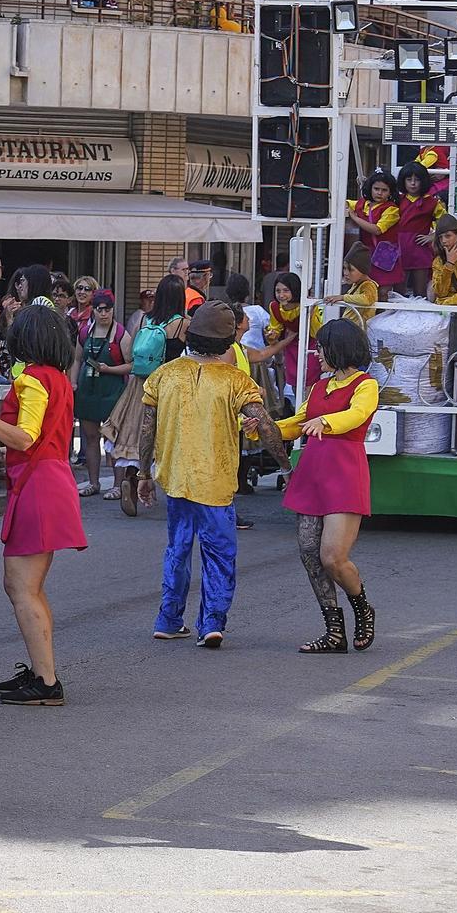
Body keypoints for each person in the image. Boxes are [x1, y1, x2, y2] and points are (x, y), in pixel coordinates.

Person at [136, 302, 286, 649]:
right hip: (215, 483)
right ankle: (211, 623)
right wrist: (285, 465)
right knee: (219, 554)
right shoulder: (236, 380)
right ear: (228, 342)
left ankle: (169, 619)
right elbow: (264, 425)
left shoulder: (165, 374)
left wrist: (144, 473)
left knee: (177, 549)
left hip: (175, 478)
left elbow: (147, 428)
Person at [0, 305, 86, 705]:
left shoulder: (34, 379)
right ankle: (42, 672)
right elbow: (32, 440)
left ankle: (46, 680)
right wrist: (5, 451)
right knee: (27, 587)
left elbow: (24, 438)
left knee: (21, 586)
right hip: (47, 478)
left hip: (38, 485)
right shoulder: (56, 378)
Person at [278, 320, 380, 654]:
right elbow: (297, 423)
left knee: (333, 557)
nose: (317, 353)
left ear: (338, 348)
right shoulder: (319, 387)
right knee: (310, 554)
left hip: (345, 474)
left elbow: (357, 415)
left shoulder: (366, 385)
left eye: (321, 347)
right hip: (312, 474)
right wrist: (261, 426)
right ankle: (333, 632)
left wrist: (326, 422)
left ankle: (362, 608)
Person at [106, 274, 188, 513]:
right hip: (169, 386)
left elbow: (132, 353)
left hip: (140, 385)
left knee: (138, 436)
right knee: (169, 437)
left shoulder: (144, 320)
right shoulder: (183, 324)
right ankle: (175, 491)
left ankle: (131, 479)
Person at [75, 290, 133, 497]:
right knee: (90, 437)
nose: (103, 314)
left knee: (114, 439)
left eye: (107, 309)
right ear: (94, 310)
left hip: (112, 391)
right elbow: (77, 359)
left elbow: (130, 365)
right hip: (88, 390)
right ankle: (93, 482)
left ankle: (117, 485)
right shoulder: (85, 332)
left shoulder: (121, 335)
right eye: (99, 310)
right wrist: (73, 382)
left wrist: (109, 370)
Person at [348, 170, 404, 292]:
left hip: (384, 253)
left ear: (390, 192)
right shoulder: (362, 204)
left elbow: (377, 230)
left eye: (384, 190)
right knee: (366, 289)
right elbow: (346, 203)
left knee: (383, 290)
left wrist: (355, 218)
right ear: (370, 188)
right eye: (376, 189)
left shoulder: (392, 210)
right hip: (365, 254)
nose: (379, 193)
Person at [394, 162, 444, 298]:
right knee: (398, 293)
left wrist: (434, 236)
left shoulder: (433, 203)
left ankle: (421, 319)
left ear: (424, 181)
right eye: (409, 180)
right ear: (403, 181)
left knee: (420, 293)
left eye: (417, 180)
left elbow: (446, 222)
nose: (413, 183)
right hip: (398, 248)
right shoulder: (395, 200)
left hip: (420, 249)